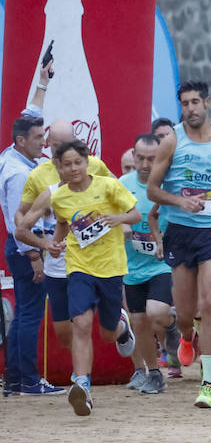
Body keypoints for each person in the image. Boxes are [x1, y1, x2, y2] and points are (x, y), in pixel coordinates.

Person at [16, 141, 139, 416]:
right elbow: (62, 224)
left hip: (110, 267)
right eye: (66, 164)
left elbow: (136, 213)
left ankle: (121, 326)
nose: (73, 169)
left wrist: (119, 219)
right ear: (58, 167)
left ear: (87, 162)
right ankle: (82, 385)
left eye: (77, 163)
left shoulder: (107, 185)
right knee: (81, 323)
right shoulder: (58, 197)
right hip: (79, 267)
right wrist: (53, 245)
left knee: (107, 334)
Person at [145, 80, 211, 408]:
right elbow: (152, 190)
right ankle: (187, 336)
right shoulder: (172, 141)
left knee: (210, 303)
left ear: (207, 103)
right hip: (181, 232)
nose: (190, 109)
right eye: (185, 104)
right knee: (187, 312)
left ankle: (208, 382)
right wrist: (180, 201)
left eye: (195, 102)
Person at [1, 114, 64, 397]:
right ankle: (28, 380)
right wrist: (34, 255)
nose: (44, 142)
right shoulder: (20, 174)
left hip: (23, 248)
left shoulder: (12, 158)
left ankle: (15, 380)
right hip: (27, 248)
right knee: (30, 315)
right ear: (21, 141)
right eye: (39, 138)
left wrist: (41, 84)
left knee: (26, 313)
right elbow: (19, 222)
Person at [119, 134, 174, 395]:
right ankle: (153, 373)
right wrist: (122, 223)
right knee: (138, 322)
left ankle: (172, 321)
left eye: (151, 159)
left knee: (156, 312)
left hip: (162, 264)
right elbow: (108, 215)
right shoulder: (121, 185)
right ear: (133, 154)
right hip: (132, 267)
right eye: (140, 158)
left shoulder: (168, 185)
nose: (144, 164)